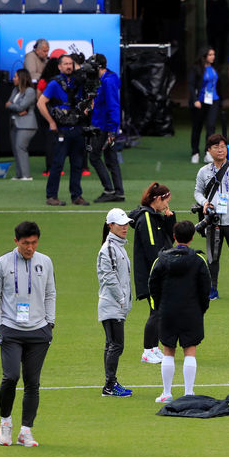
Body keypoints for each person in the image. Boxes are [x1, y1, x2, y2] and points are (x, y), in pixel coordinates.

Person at [0, 221, 55, 447]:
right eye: (26, 243)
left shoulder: (45, 262)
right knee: (11, 376)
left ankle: (26, 430)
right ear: (16, 241)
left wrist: (50, 323)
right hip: (11, 330)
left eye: (34, 243)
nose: (30, 248)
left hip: (39, 331)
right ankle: (5, 424)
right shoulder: (1, 263)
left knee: (32, 382)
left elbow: (50, 293)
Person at [148, 221, 211, 403]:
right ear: (192, 238)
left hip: (167, 311)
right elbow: (205, 288)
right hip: (191, 311)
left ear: (174, 237)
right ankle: (188, 393)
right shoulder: (198, 260)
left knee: (168, 350)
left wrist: (160, 307)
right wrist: (200, 309)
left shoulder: (161, 260)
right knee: (189, 351)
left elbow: (153, 286)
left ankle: (166, 393)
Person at [193, 134, 229, 300]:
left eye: (223, 146)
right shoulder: (204, 171)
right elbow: (197, 191)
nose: (220, 150)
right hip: (213, 221)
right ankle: (212, 289)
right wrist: (204, 202)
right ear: (209, 150)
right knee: (213, 258)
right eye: (216, 147)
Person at [128, 182, 176, 364]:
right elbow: (152, 248)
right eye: (166, 201)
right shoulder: (146, 218)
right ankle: (148, 350)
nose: (167, 204)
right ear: (157, 199)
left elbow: (169, 238)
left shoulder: (155, 216)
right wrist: (162, 270)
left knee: (158, 311)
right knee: (156, 311)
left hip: (157, 272)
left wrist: (169, 219)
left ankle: (154, 348)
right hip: (152, 275)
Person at [36, 54, 89, 206]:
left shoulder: (78, 82)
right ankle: (51, 196)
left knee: (77, 163)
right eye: (65, 64)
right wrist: (51, 122)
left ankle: (76, 196)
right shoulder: (54, 83)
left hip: (77, 127)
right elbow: (41, 103)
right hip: (61, 129)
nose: (68, 66)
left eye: (70, 64)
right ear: (59, 66)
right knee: (57, 164)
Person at [97, 208, 133, 397]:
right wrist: (121, 298)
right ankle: (109, 385)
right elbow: (109, 276)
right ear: (111, 226)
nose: (125, 227)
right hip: (111, 306)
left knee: (112, 344)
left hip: (115, 305)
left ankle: (111, 383)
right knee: (116, 345)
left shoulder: (117, 246)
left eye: (126, 223)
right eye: (121, 224)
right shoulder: (109, 248)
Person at [89, 54, 124, 203]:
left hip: (104, 126)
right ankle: (118, 192)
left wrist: (111, 130)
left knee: (94, 156)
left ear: (98, 67)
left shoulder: (108, 82)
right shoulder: (108, 79)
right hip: (105, 125)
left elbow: (113, 106)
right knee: (111, 159)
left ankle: (110, 189)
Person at [188, 47, 220, 164]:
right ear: (204, 56)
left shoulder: (214, 68)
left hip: (213, 100)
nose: (213, 57)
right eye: (210, 55)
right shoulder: (196, 69)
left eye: (213, 54)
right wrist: (195, 100)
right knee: (197, 127)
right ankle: (195, 152)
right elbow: (191, 85)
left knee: (211, 126)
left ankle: (208, 152)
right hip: (200, 101)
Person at [5, 68, 37, 181]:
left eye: (15, 77)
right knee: (15, 149)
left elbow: (20, 106)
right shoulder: (15, 90)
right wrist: (15, 107)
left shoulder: (30, 91)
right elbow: (9, 104)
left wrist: (12, 106)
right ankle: (19, 174)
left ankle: (26, 175)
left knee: (20, 147)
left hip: (26, 124)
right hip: (14, 123)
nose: (13, 79)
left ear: (21, 78)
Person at [37, 58, 60, 176]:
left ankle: (49, 168)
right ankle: (58, 168)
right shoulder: (60, 81)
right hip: (59, 112)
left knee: (49, 141)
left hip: (45, 113)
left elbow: (38, 98)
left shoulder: (43, 81)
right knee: (59, 141)